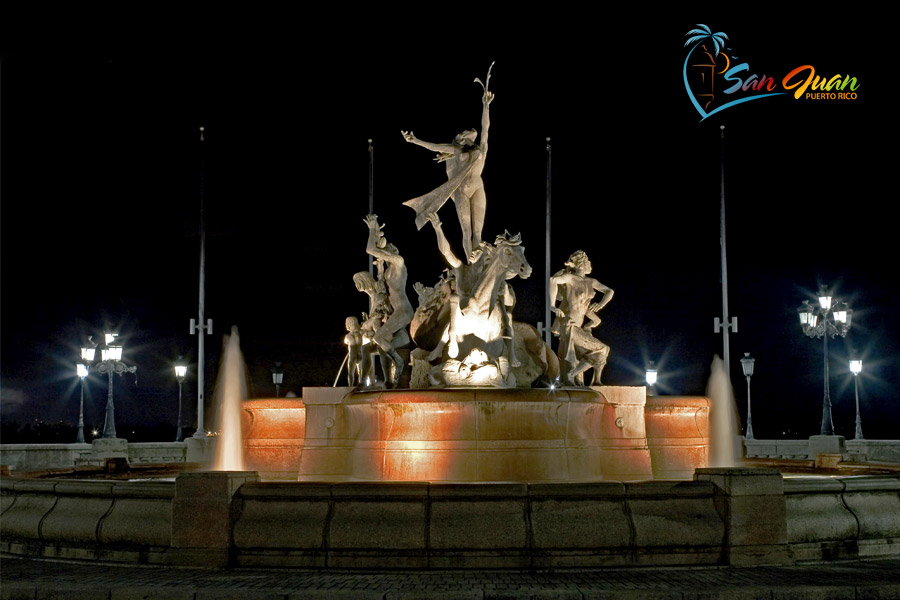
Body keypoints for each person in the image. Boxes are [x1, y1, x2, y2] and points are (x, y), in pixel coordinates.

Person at [402, 68, 494, 260]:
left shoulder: (480, 150)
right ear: (462, 137)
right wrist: (416, 141)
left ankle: (477, 262)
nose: (471, 132)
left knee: (478, 232)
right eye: (467, 132)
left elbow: (486, 128)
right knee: (466, 231)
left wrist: (486, 107)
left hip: (477, 187)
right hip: (460, 190)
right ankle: (470, 262)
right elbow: (435, 146)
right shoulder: (457, 151)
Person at [549, 251, 614, 386]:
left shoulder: (591, 282)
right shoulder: (570, 278)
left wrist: (600, 305)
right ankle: (573, 375)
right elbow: (553, 280)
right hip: (570, 324)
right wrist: (552, 305)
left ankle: (595, 380)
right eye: (587, 262)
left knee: (599, 352)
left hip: (579, 326)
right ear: (580, 264)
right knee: (602, 348)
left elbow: (610, 291)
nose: (589, 265)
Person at [363, 214, 413, 387]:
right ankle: (397, 361)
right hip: (397, 312)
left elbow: (371, 249)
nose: (387, 249)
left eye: (390, 248)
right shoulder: (388, 271)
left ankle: (399, 362)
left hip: (404, 310)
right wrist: (379, 268)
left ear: (395, 252)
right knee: (380, 339)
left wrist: (372, 230)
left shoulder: (399, 262)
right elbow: (383, 289)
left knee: (379, 337)